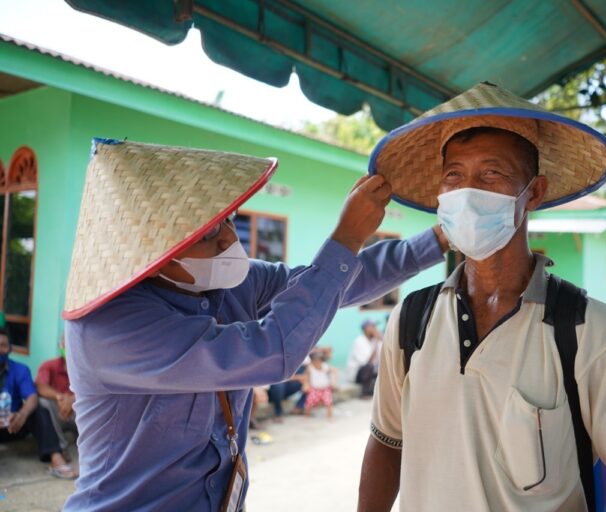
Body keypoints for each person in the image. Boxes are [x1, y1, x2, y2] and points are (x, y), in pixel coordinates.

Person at [61, 140, 447, 511]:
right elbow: (272, 350)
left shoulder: (225, 286)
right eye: (209, 232)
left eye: (227, 219)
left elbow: (333, 281)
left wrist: (440, 238)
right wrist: (346, 237)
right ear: (152, 249)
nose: (230, 238)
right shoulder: (109, 329)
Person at [358, 82, 606, 511]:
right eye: (454, 175)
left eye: (492, 174)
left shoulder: (592, 331)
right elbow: (387, 444)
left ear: (535, 193)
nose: (467, 192)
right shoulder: (412, 318)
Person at [0, 328, 73, 478]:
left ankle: (56, 459)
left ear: (10, 348)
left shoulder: (20, 369)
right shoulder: (50, 365)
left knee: (38, 407)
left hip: (14, 425)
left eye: (3, 345)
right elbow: (41, 386)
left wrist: (22, 414)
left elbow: (32, 396)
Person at [34, 335, 78, 479]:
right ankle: (61, 449)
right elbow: (40, 387)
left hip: (79, 415)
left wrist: (73, 399)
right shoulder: (49, 365)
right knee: (43, 403)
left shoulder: (86, 368)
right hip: (58, 414)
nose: (68, 348)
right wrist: (60, 397)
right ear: (60, 346)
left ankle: (98, 452)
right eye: (65, 344)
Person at [346, 320, 383, 397]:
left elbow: (383, 357)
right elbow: (367, 362)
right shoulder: (359, 341)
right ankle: (364, 393)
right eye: (372, 327)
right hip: (358, 374)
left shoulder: (375, 341)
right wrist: (376, 341)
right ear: (366, 329)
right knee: (368, 367)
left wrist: (381, 340)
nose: (375, 329)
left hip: (371, 371)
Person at [304, 351, 337, 418]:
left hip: (325, 389)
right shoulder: (310, 368)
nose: (317, 362)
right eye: (315, 360)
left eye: (319, 360)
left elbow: (335, 371)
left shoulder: (325, 366)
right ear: (312, 361)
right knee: (309, 403)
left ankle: (329, 416)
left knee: (329, 402)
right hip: (314, 389)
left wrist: (333, 382)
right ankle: (306, 416)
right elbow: (306, 378)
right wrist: (306, 385)